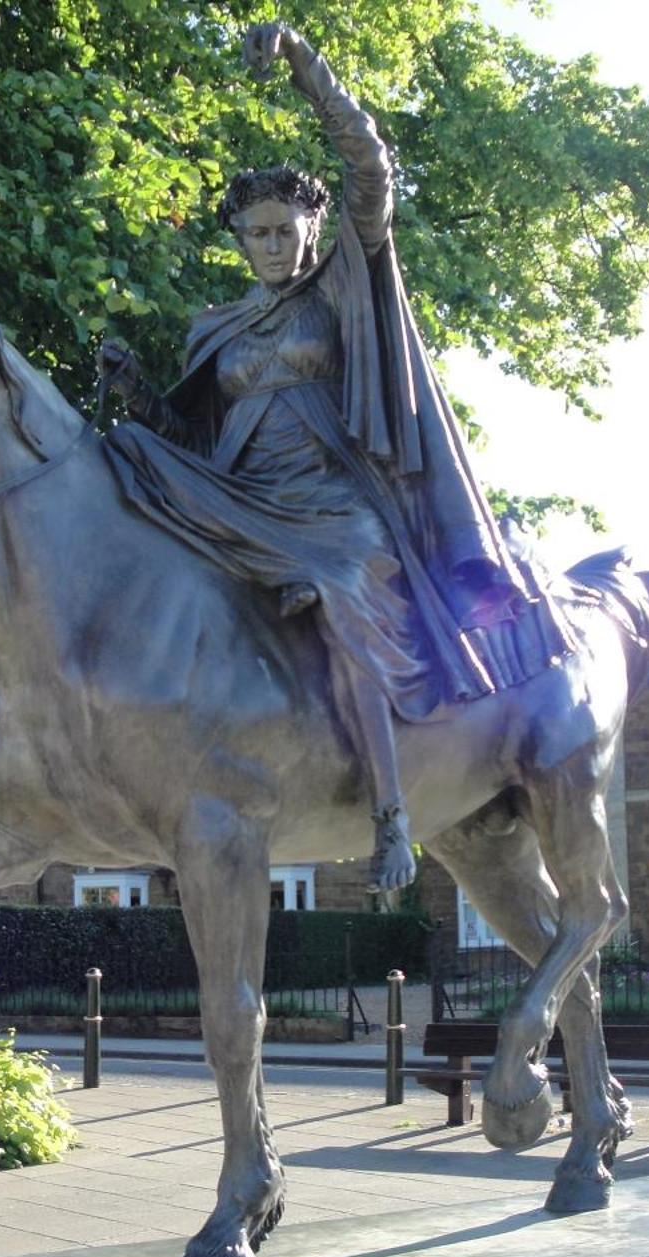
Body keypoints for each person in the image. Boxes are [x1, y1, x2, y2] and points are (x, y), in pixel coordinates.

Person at [100, 22, 560, 891]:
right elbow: (194, 438)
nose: (274, 245)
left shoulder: (348, 276)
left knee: (347, 597)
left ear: (312, 228)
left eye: (286, 229)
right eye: (257, 233)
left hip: (337, 505)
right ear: (237, 239)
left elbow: (371, 168)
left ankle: (391, 816)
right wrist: (139, 396)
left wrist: (305, 65)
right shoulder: (217, 328)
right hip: (240, 497)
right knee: (127, 484)